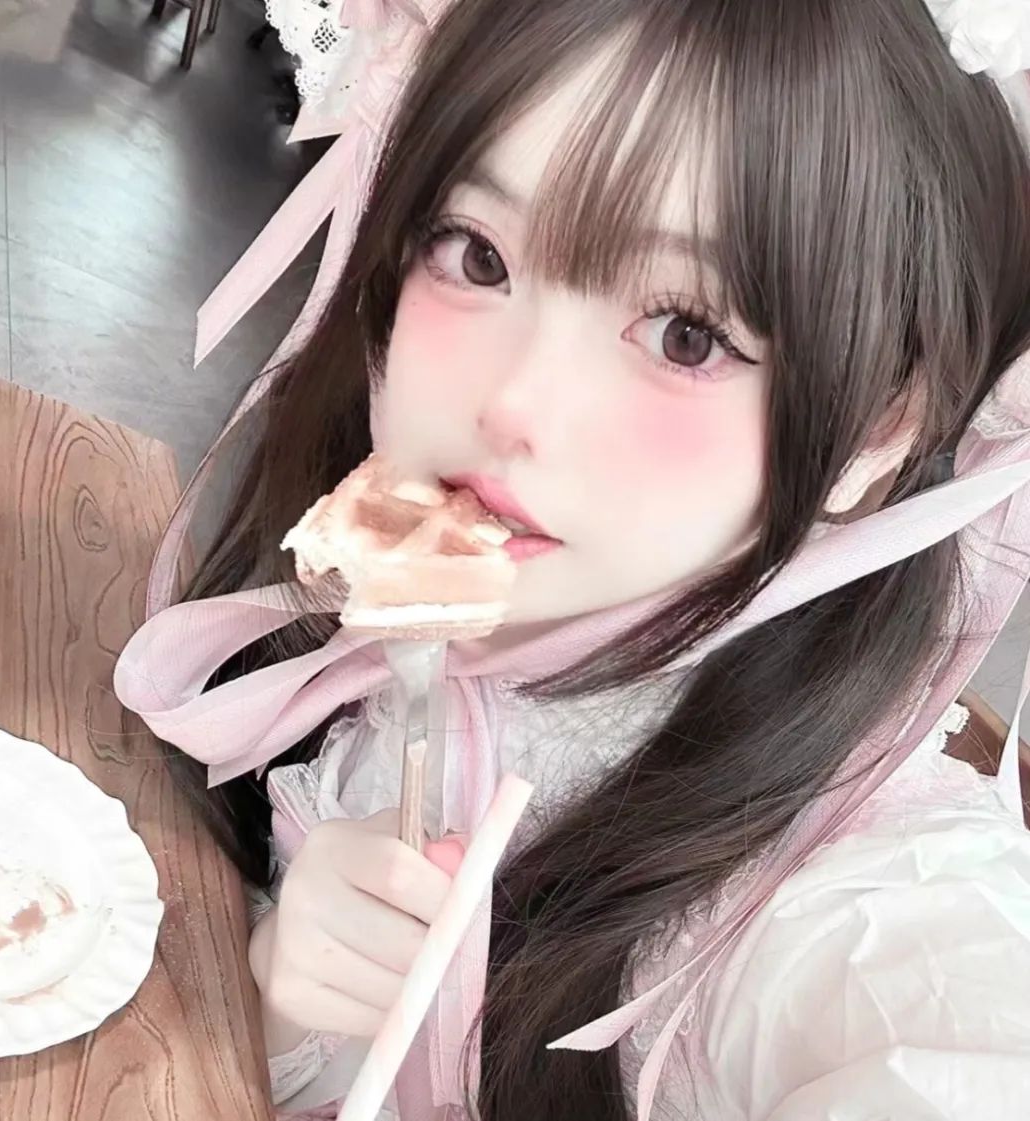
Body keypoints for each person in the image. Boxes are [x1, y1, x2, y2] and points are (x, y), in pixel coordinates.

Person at [115, 0, 1030, 1118]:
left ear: (879, 428)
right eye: (478, 254)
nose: (512, 401)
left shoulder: (862, 905)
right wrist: (287, 1002)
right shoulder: (411, 641)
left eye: (687, 333)